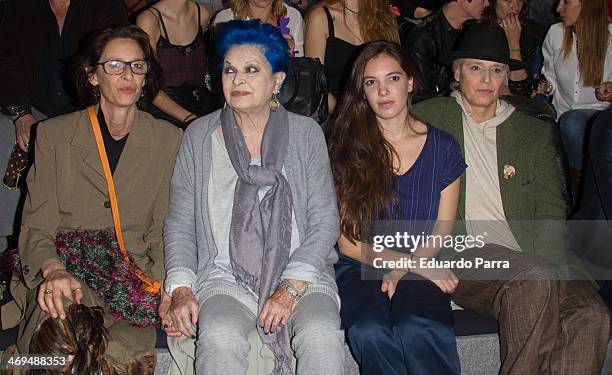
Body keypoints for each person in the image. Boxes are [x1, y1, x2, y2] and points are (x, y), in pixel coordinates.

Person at [412, 23, 611, 375]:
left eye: (496, 70)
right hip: (465, 254)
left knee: (592, 315)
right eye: (476, 68)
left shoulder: (532, 131)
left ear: (506, 76)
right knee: (535, 280)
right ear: (457, 72)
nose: (487, 79)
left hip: (534, 257)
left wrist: (551, 270)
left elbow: (550, 211)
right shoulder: (429, 119)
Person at [163, 19, 344, 375]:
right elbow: (180, 220)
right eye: (229, 70)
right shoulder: (200, 135)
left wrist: (289, 289)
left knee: (320, 332)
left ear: (277, 80)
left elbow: (325, 221)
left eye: (250, 69)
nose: (237, 79)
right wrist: (181, 287)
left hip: (302, 273)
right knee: (218, 335)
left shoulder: (306, 133)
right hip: (226, 275)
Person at [2, 25, 182, 373]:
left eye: (137, 66)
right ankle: (21, 361)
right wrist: (53, 270)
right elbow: (36, 225)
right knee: (57, 349)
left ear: (146, 76)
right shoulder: (55, 135)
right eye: (114, 65)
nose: (127, 75)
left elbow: (162, 229)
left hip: (129, 280)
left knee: (117, 361)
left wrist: (166, 292)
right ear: (93, 76)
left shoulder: (167, 139)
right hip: (66, 268)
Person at [328, 40, 464, 374]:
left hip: (424, 257)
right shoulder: (347, 147)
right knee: (368, 329)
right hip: (360, 263)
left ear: (411, 82)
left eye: (393, 78)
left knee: (418, 325)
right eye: (371, 82)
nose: (383, 91)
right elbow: (347, 242)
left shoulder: (443, 145)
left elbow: (443, 227)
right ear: (362, 90)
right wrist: (405, 265)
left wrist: (410, 267)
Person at [0, 0, 127, 268]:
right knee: (5, 138)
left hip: (85, 109)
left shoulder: (105, 6)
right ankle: (7, 249)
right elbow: (7, 60)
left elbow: (113, 60)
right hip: (30, 106)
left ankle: (77, 251)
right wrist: (20, 113)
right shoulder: (18, 6)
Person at [539, 0, 612, 192]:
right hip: (562, 116)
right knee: (569, 121)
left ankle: (583, 186)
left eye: (567, 2)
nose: (558, 8)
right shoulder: (556, 33)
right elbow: (551, 78)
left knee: (574, 122)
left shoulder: (610, 36)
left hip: (601, 118)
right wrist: (545, 86)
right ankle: (584, 185)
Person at [304, 0, 400, 111]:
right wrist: (344, 118)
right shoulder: (320, 17)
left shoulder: (384, 18)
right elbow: (315, 83)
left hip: (380, 109)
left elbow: (396, 76)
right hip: (335, 114)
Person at [137, 0, 214, 128]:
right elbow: (148, 84)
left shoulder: (203, 13)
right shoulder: (149, 20)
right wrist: (189, 119)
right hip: (163, 112)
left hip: (202, 104)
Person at [403, 0, 488, 103]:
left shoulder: (475, 32)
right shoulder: (423, 38)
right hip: (443, 113)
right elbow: (421, 99)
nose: (487, 3)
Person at [481, 0, 547, 97]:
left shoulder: (533, 33)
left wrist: (513, 43)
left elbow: (522, 93)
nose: (515, 6)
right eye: (508, 0)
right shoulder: (480, 32)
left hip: (518, 105)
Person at [214, 0, 305, 57]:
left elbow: (299, 67)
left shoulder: (293, 16)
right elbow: (220, 68)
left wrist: (288, 54)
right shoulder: (225, 18)